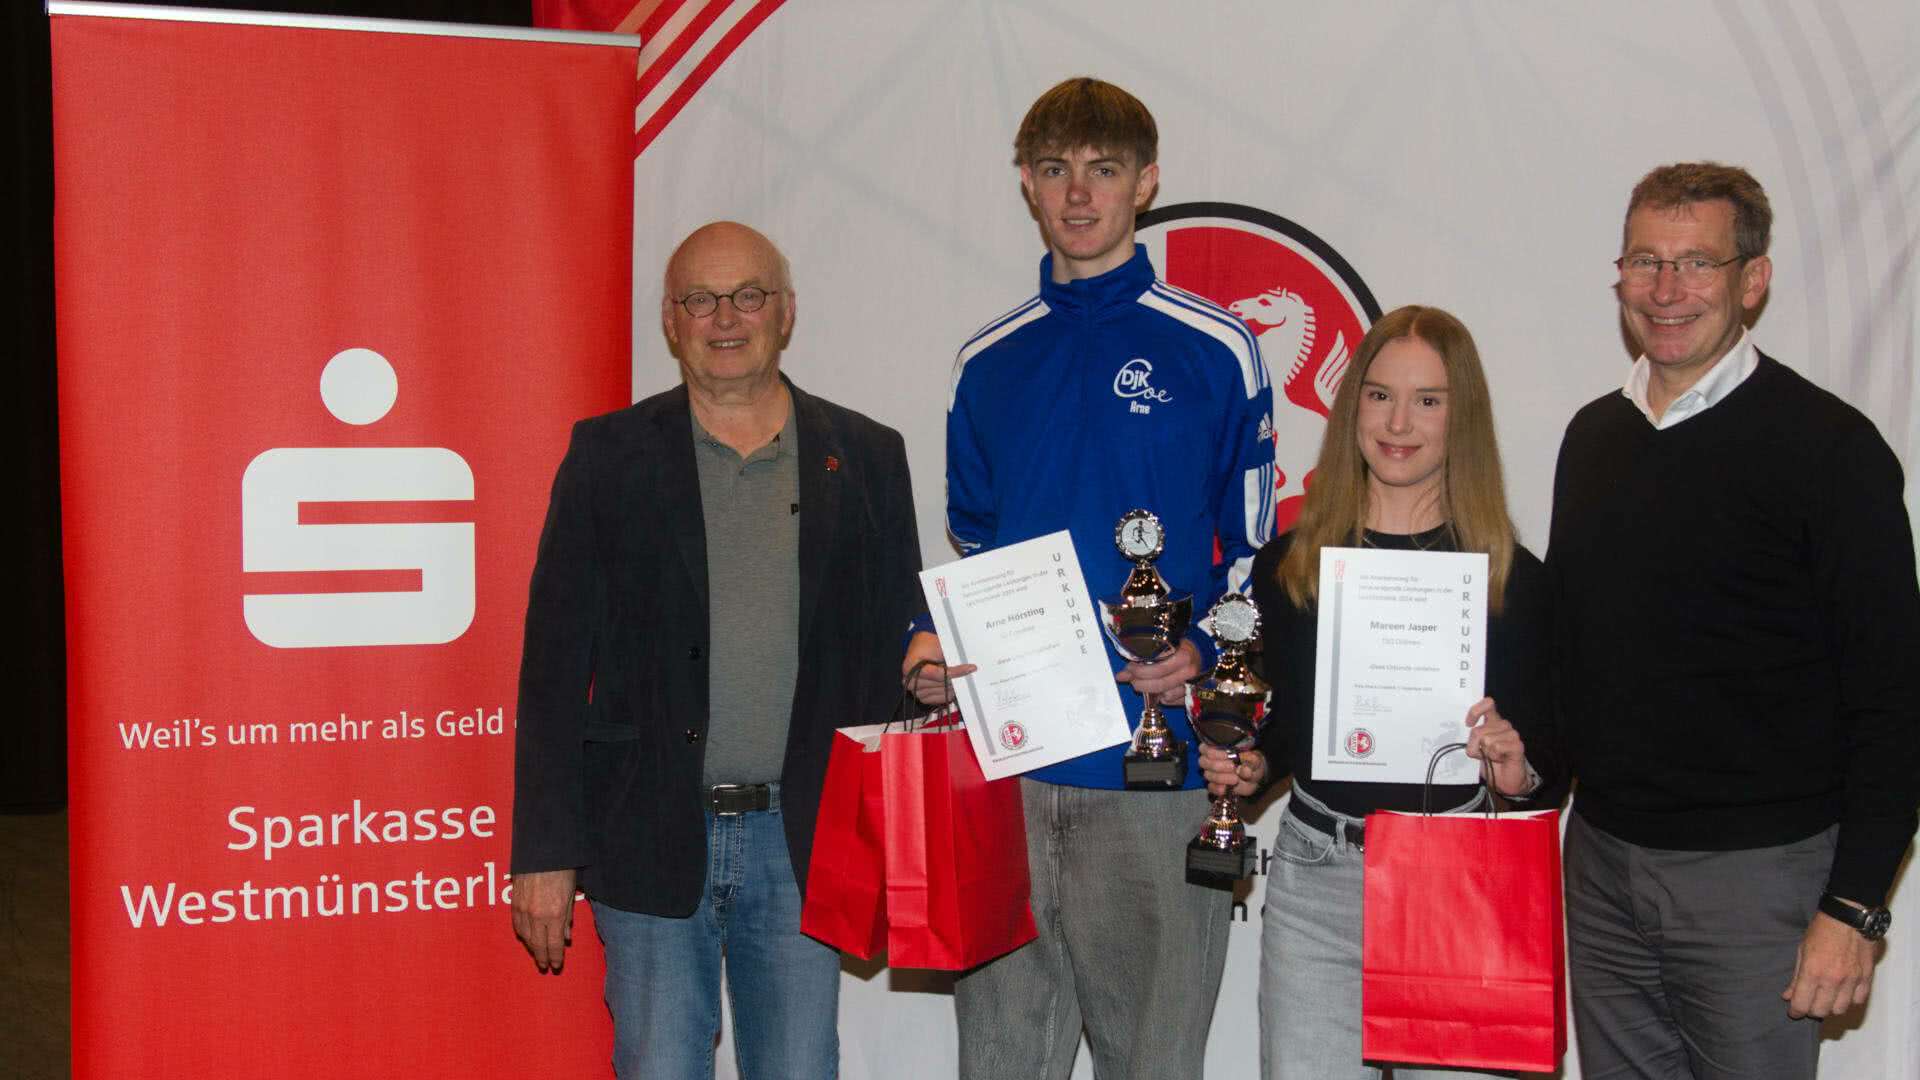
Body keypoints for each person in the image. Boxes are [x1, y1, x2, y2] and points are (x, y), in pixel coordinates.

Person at [901, 77, 1279, 1080]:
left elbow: (1251, 558)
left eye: (1104, 170)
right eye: (1057, 170)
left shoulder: (1217, 351)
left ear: (1147, 183)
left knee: (1154, 1066)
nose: (1079, 195)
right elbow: (975, 550)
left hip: (1154, 782)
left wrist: (1205, 655)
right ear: (1026, 183)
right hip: (1011, 774)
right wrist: (932, 642)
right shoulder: (987, 363)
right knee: (999, 1063)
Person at [508, 221, 922, 1078]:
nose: (724, 317)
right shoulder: (607, 457)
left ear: (786, 313)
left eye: (747, 295)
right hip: (648, 833)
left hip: (803, 844)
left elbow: (897, 633)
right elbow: (551, 670)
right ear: (669, 319)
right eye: (700, 298)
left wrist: (926, 663)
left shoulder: (870, 457)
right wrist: (546, 852)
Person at [1549, 162, 1920, 1079]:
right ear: (1620, 277)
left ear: (1752, 280)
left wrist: (1856, 906)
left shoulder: (1831, 451)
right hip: (1600, 869)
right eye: (1645, 261)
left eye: (1696, 263)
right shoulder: (1592, 438)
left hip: (1760, 886)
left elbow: (1895, 698)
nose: (1667, 290)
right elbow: (1575, 651)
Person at [1197, 305, 1556, 1079]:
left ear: (1462, 419)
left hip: (1459, 884)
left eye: (1429, 400)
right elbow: (1293, 729)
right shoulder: (1289, 564)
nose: (1399, 421)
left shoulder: (1509, 579)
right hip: (1318, 880)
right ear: (1351, 402)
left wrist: (1515, 770)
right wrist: (1255, 767)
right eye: (1380, 394)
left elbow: (1550, 767)